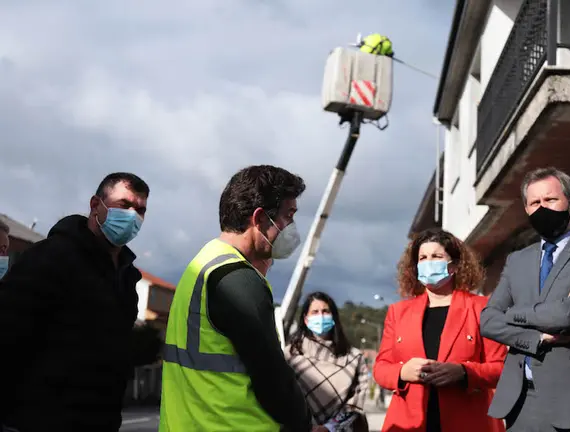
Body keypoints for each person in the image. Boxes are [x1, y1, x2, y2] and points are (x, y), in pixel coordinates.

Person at [159, 165, 312, 432]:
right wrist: (305, 424)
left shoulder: (203, 264)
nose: (292, 227)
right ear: (260, 218)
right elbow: (273, 380)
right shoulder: (238, 280)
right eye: (289, 216)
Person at [0, 172, 151, 431]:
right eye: (124, 205)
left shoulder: (127, 278)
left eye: (140, 210)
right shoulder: (49, 259)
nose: (132, 216)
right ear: (95, 206)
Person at [480, 167, 570, 432]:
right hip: (521, 405)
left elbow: (569, 315)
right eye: (535, 203)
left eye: (551, 200)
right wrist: (538, 338)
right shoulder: (517, 260)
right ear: (526, 209)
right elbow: (488, 321)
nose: (543, 208)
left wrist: (511, 314)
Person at [374, 228, 507, 432]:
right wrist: (402, 372)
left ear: (453, 265)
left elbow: (501, 368)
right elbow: (381, 368)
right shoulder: (397, 312)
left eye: (436, 256)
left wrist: (464, 372)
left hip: (468, 422)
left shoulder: (482, 307)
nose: (429, 262)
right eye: (423, 258)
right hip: (409, 423)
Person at [285, 292, 370, 432]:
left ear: (333, 316)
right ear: (306, 319)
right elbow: (283, 395)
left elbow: (356, 401)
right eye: (315, 312)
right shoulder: (289, 355)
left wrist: (329, 427)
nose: (321, 316)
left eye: (325, 311)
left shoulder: (353, 358)